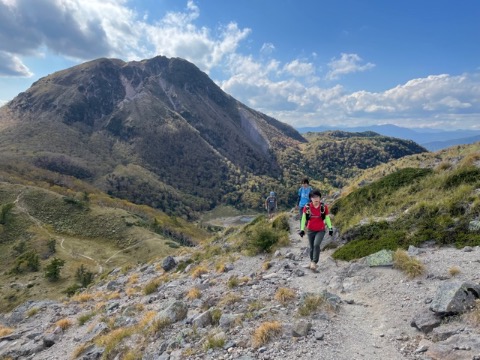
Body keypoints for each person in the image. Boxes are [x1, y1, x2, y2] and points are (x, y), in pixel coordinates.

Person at [298, 189, 334, 271]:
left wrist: (330, 228)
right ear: (311, 198)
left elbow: (327, 218)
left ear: (320, 198)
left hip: (320, 230)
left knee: (316, 245)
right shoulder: (307, 207)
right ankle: (311, 262)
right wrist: (302, 229)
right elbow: (303, 218)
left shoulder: (323, 207)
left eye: (317, 197)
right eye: (313, 197)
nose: (316, 199)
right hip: (310, 230)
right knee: (311, 247)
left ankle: (314, 262)